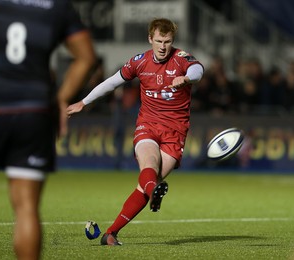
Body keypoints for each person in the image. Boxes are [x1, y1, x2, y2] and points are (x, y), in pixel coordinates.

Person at [0, 0, 96, 259]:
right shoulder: (56, 5)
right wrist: (60, 99)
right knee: (26, 207)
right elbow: (86, 57)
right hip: (34, 112)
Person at [67, 18, 204, 246]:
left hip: (175, 132)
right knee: (149, 166)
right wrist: (84, 102)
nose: (163, 46)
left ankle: (111, 233)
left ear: (173, 41)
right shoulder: (139, 62)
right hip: (148, 125)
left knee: (146, 184)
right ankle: (153, 193)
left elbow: (198, 70)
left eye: (167, 41)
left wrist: (187, 78)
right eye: (159, 41)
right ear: (150, 39)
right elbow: (112, 82)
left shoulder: (181, 60)